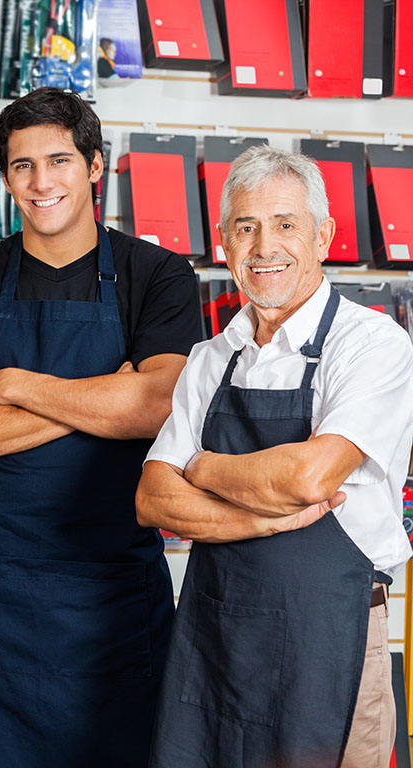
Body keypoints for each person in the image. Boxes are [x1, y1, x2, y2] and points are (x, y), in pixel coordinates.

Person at [0, 87, 203, 766]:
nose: (41, 183)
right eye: (21, 166)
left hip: (115, 603)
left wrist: (18, 386)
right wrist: (108, 399)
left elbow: (160, 406)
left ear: (95, 166)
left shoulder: (155, 276)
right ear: (5, 175)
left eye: (59, 161)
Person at [139, 145, 413, 768]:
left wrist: (202, 467)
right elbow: (153, 498)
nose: (265, 246)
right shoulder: (212, 358)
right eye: (246, 227)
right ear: (224, 244)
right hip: (215, 643)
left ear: (324, 236)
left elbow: (311, 476)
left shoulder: (372, 343)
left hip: (331, 640)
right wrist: (266, 516)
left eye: (286, 225)